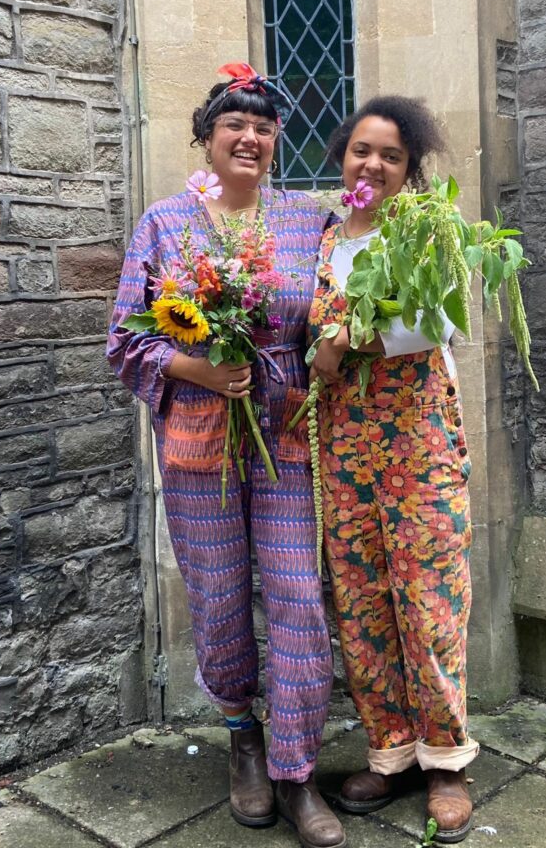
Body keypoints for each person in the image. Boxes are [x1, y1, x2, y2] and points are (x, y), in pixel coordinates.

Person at [107, 64, 345, 848]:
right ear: (207, 137)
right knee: (216, 594)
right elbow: (126, 339)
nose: (251, 136)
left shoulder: (310, 222)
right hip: (199, 438)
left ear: (277, 140)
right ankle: (242, 735)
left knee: (297, 597)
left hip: (284, 436)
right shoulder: (166, 224)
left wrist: (332, 353)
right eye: (234, 124)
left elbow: (332, 318)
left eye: (265, 125)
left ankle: (296, 769)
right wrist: (199, 367)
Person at [307, 96, 478, 843]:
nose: (372, 164)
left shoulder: (426, 232)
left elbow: (434, 322)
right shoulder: (323, 241)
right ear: (342, 157)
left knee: (429, 598)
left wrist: (344, 341)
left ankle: (445, 760)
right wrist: (327, 344)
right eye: (361, 150)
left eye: (391, 155)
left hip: (419, 446)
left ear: (411, 171)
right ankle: (390, 751)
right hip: (345, 449)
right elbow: (307, 333)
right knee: (363, 599)